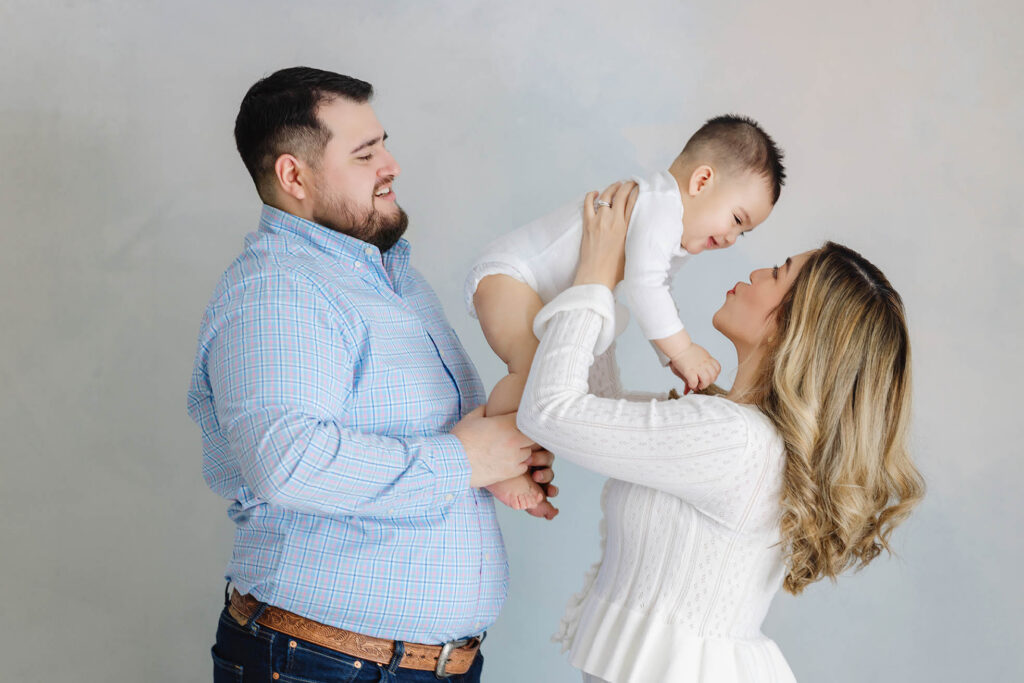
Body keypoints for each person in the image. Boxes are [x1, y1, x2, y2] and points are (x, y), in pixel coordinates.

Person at [186, 66, 557, 683]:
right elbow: (289, 462)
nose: (391, 165)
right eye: (365, 153)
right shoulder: (279, 291)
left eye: (383, 143)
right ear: (293, 175)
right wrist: (463, 463)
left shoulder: (394, 279)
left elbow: (428, 440)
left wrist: (495, 465)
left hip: (408, 665)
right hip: (326, 666)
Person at [515, 182, 925, 682]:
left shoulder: (734, 440)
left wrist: (594, 279)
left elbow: (550, 412)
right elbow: (595, 410)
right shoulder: (734, 426)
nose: (754, 271)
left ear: (791, 327)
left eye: (776, 274)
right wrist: (614, 272)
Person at [465, 116, 785, 510]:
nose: (732, 239)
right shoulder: (661, 206)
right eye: (737, 220)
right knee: (532, 371)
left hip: (541, 293)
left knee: (556, 378)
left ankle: (519, 462)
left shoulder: (670, 226)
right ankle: (497, 463)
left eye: (743, 233)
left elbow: (658, 290)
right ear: (701, 182)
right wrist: (682, 351)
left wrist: (670, 356)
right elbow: (645, 287)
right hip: (512, 275)